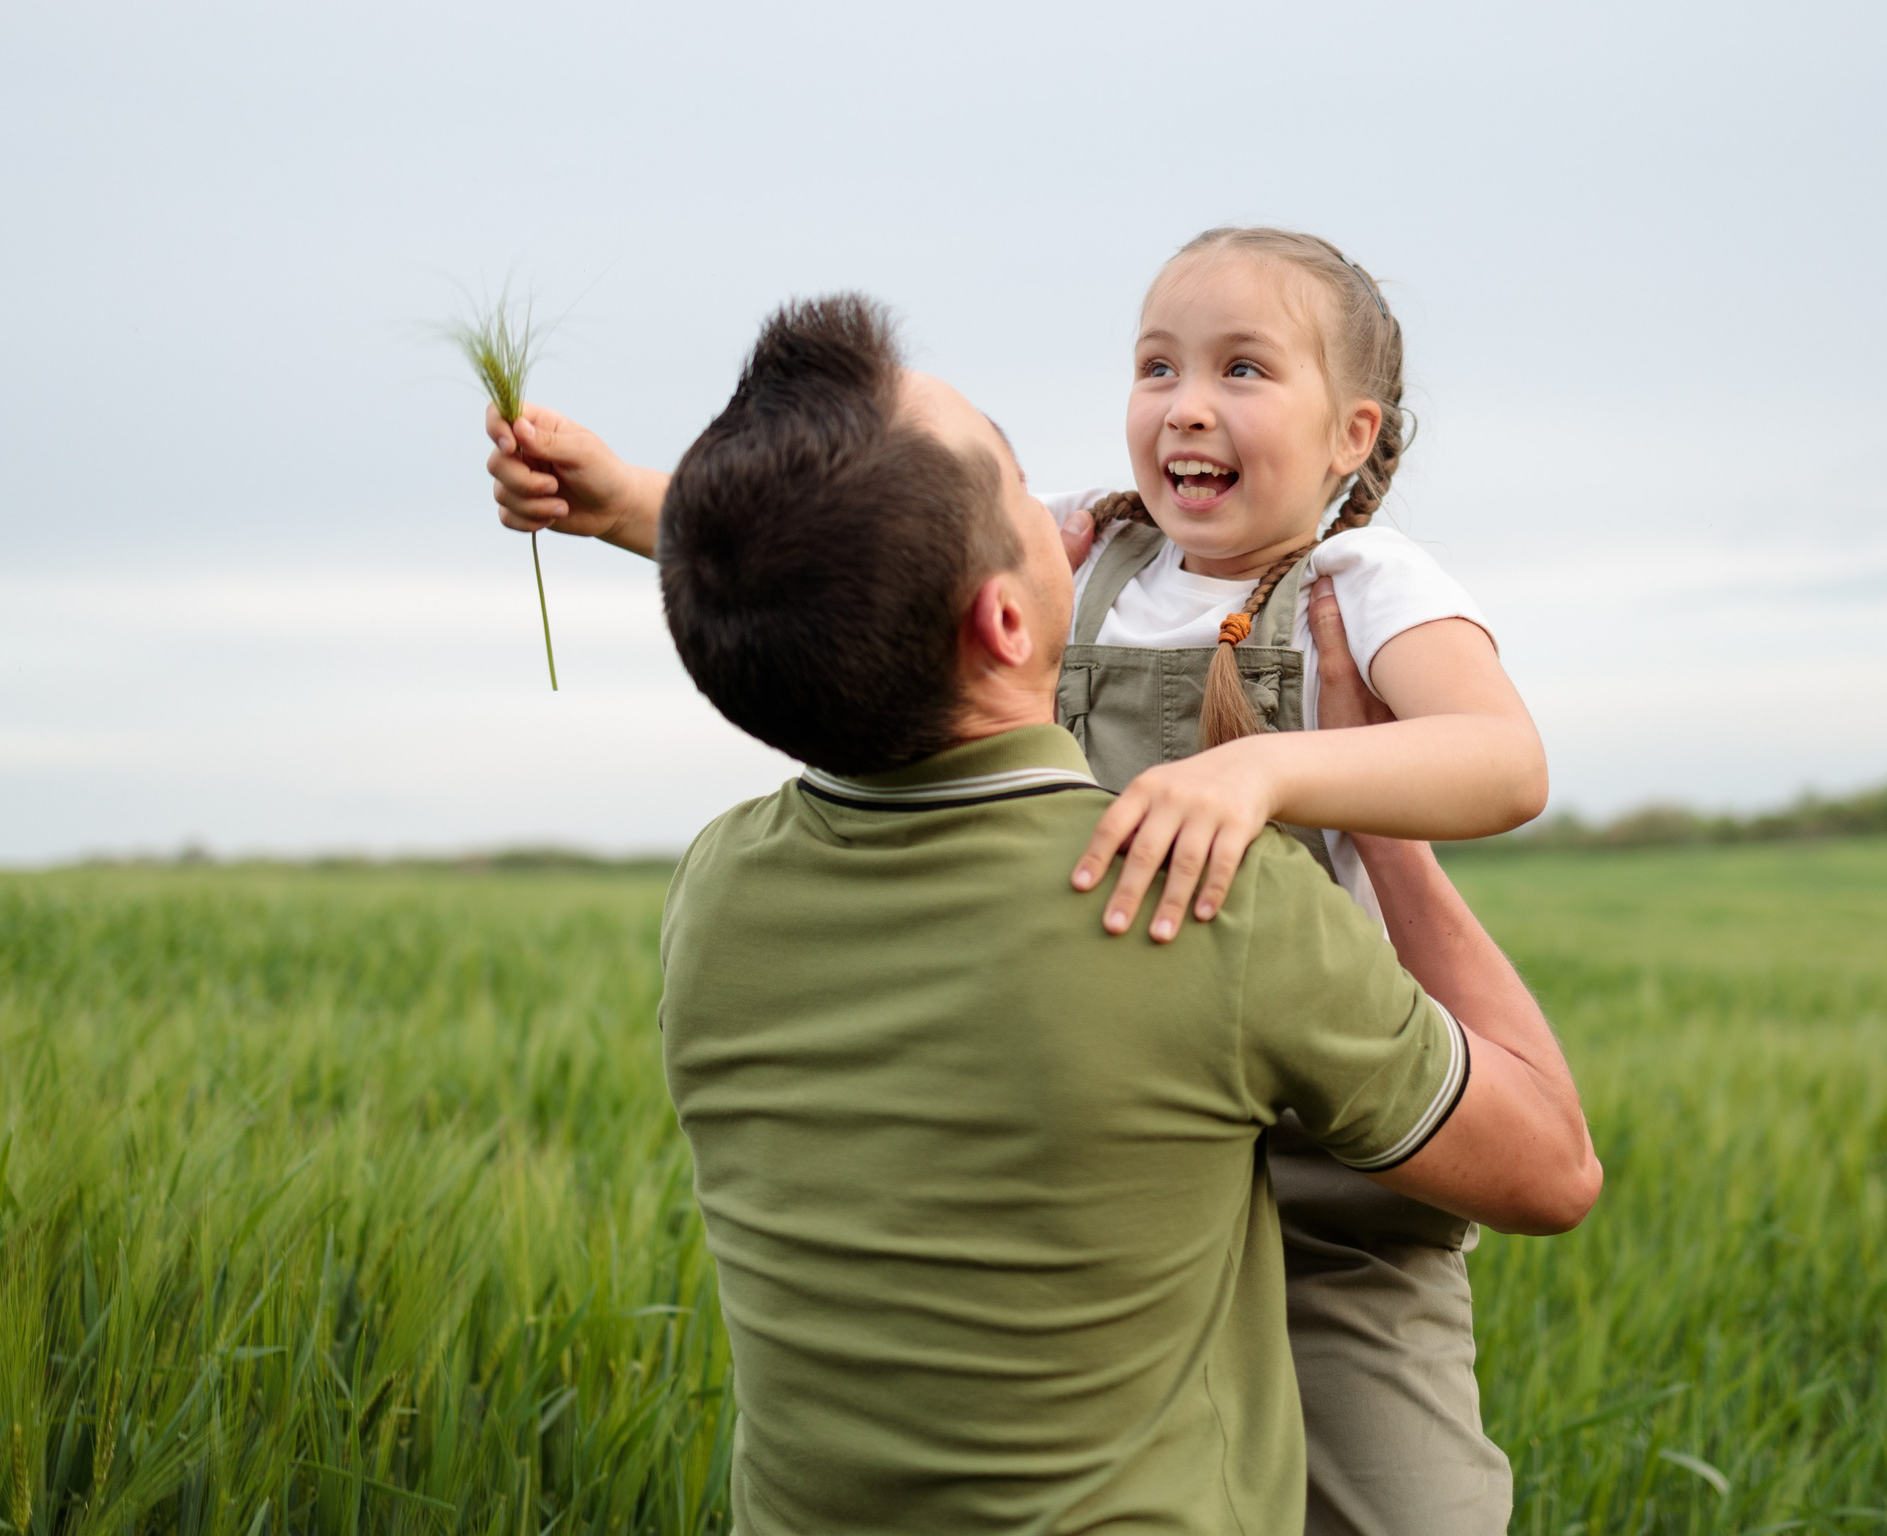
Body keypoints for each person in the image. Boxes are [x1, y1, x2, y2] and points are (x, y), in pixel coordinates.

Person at [489, 229, 1545, 1532]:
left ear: (1351, 434)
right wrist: (627, 500)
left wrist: (1269, 776)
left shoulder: (1362, 586)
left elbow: (1504, 761)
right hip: (1120, 1102)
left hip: (1335, 1150)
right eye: (1157, 364)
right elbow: (862, 562)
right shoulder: (1101, 549)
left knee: (1403, 1493)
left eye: (1244, 369)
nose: (1186, 404)